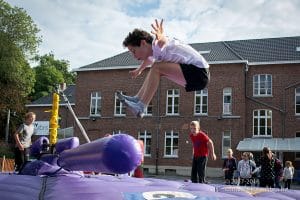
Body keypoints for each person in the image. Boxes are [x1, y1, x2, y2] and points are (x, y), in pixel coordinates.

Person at [117, 19, 210, 117]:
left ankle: (141, 107)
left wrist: (161, 36)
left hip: (199, 72)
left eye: (134, 51)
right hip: (196, 75)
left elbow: (162, 41)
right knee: (155, 67)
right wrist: (139, 70)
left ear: (143, 43)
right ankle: (137, 99)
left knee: (157, 67)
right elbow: (148, 60)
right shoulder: (153, 52)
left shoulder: (156, 45)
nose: (134, 56)